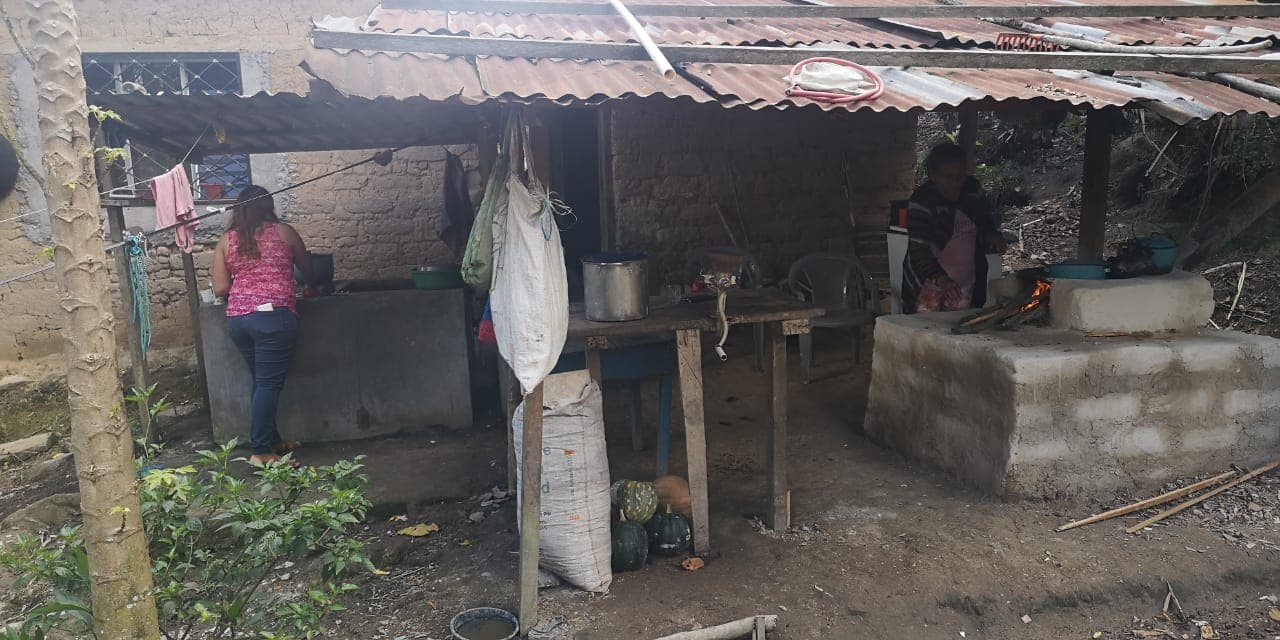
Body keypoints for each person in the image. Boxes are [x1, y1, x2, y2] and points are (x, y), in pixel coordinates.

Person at [212, 185, 312, 465]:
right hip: (273, 319)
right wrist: (311, 285)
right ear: (268, 206)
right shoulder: (284, 233)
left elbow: (220, 288)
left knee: (261, 382)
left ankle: (272, 441)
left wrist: (246, 284)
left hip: (238, 320)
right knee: (268, 384)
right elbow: (309, 269)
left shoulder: (226, 240)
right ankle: (260, 452)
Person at [902, 143, 1004, 314]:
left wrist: (992, 235)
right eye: (947, 177)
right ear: (933, 175)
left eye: (960, 176)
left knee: (958, 329)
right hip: (927, 283)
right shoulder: (922, 201)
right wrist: (941, 279)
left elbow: (984, 219)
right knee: (925, 331)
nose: (955, 183)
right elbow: (918, 250)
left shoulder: (972, 190)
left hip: (965, 282)